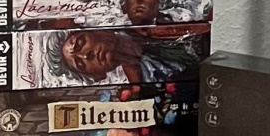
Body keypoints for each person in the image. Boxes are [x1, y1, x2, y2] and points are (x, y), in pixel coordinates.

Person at [51, 28, 205, 85]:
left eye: (80, 44)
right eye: (80, 64)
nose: (86, 56)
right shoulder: (143, 84)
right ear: (97, 75)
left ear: (96, 30)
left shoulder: (146, 24)